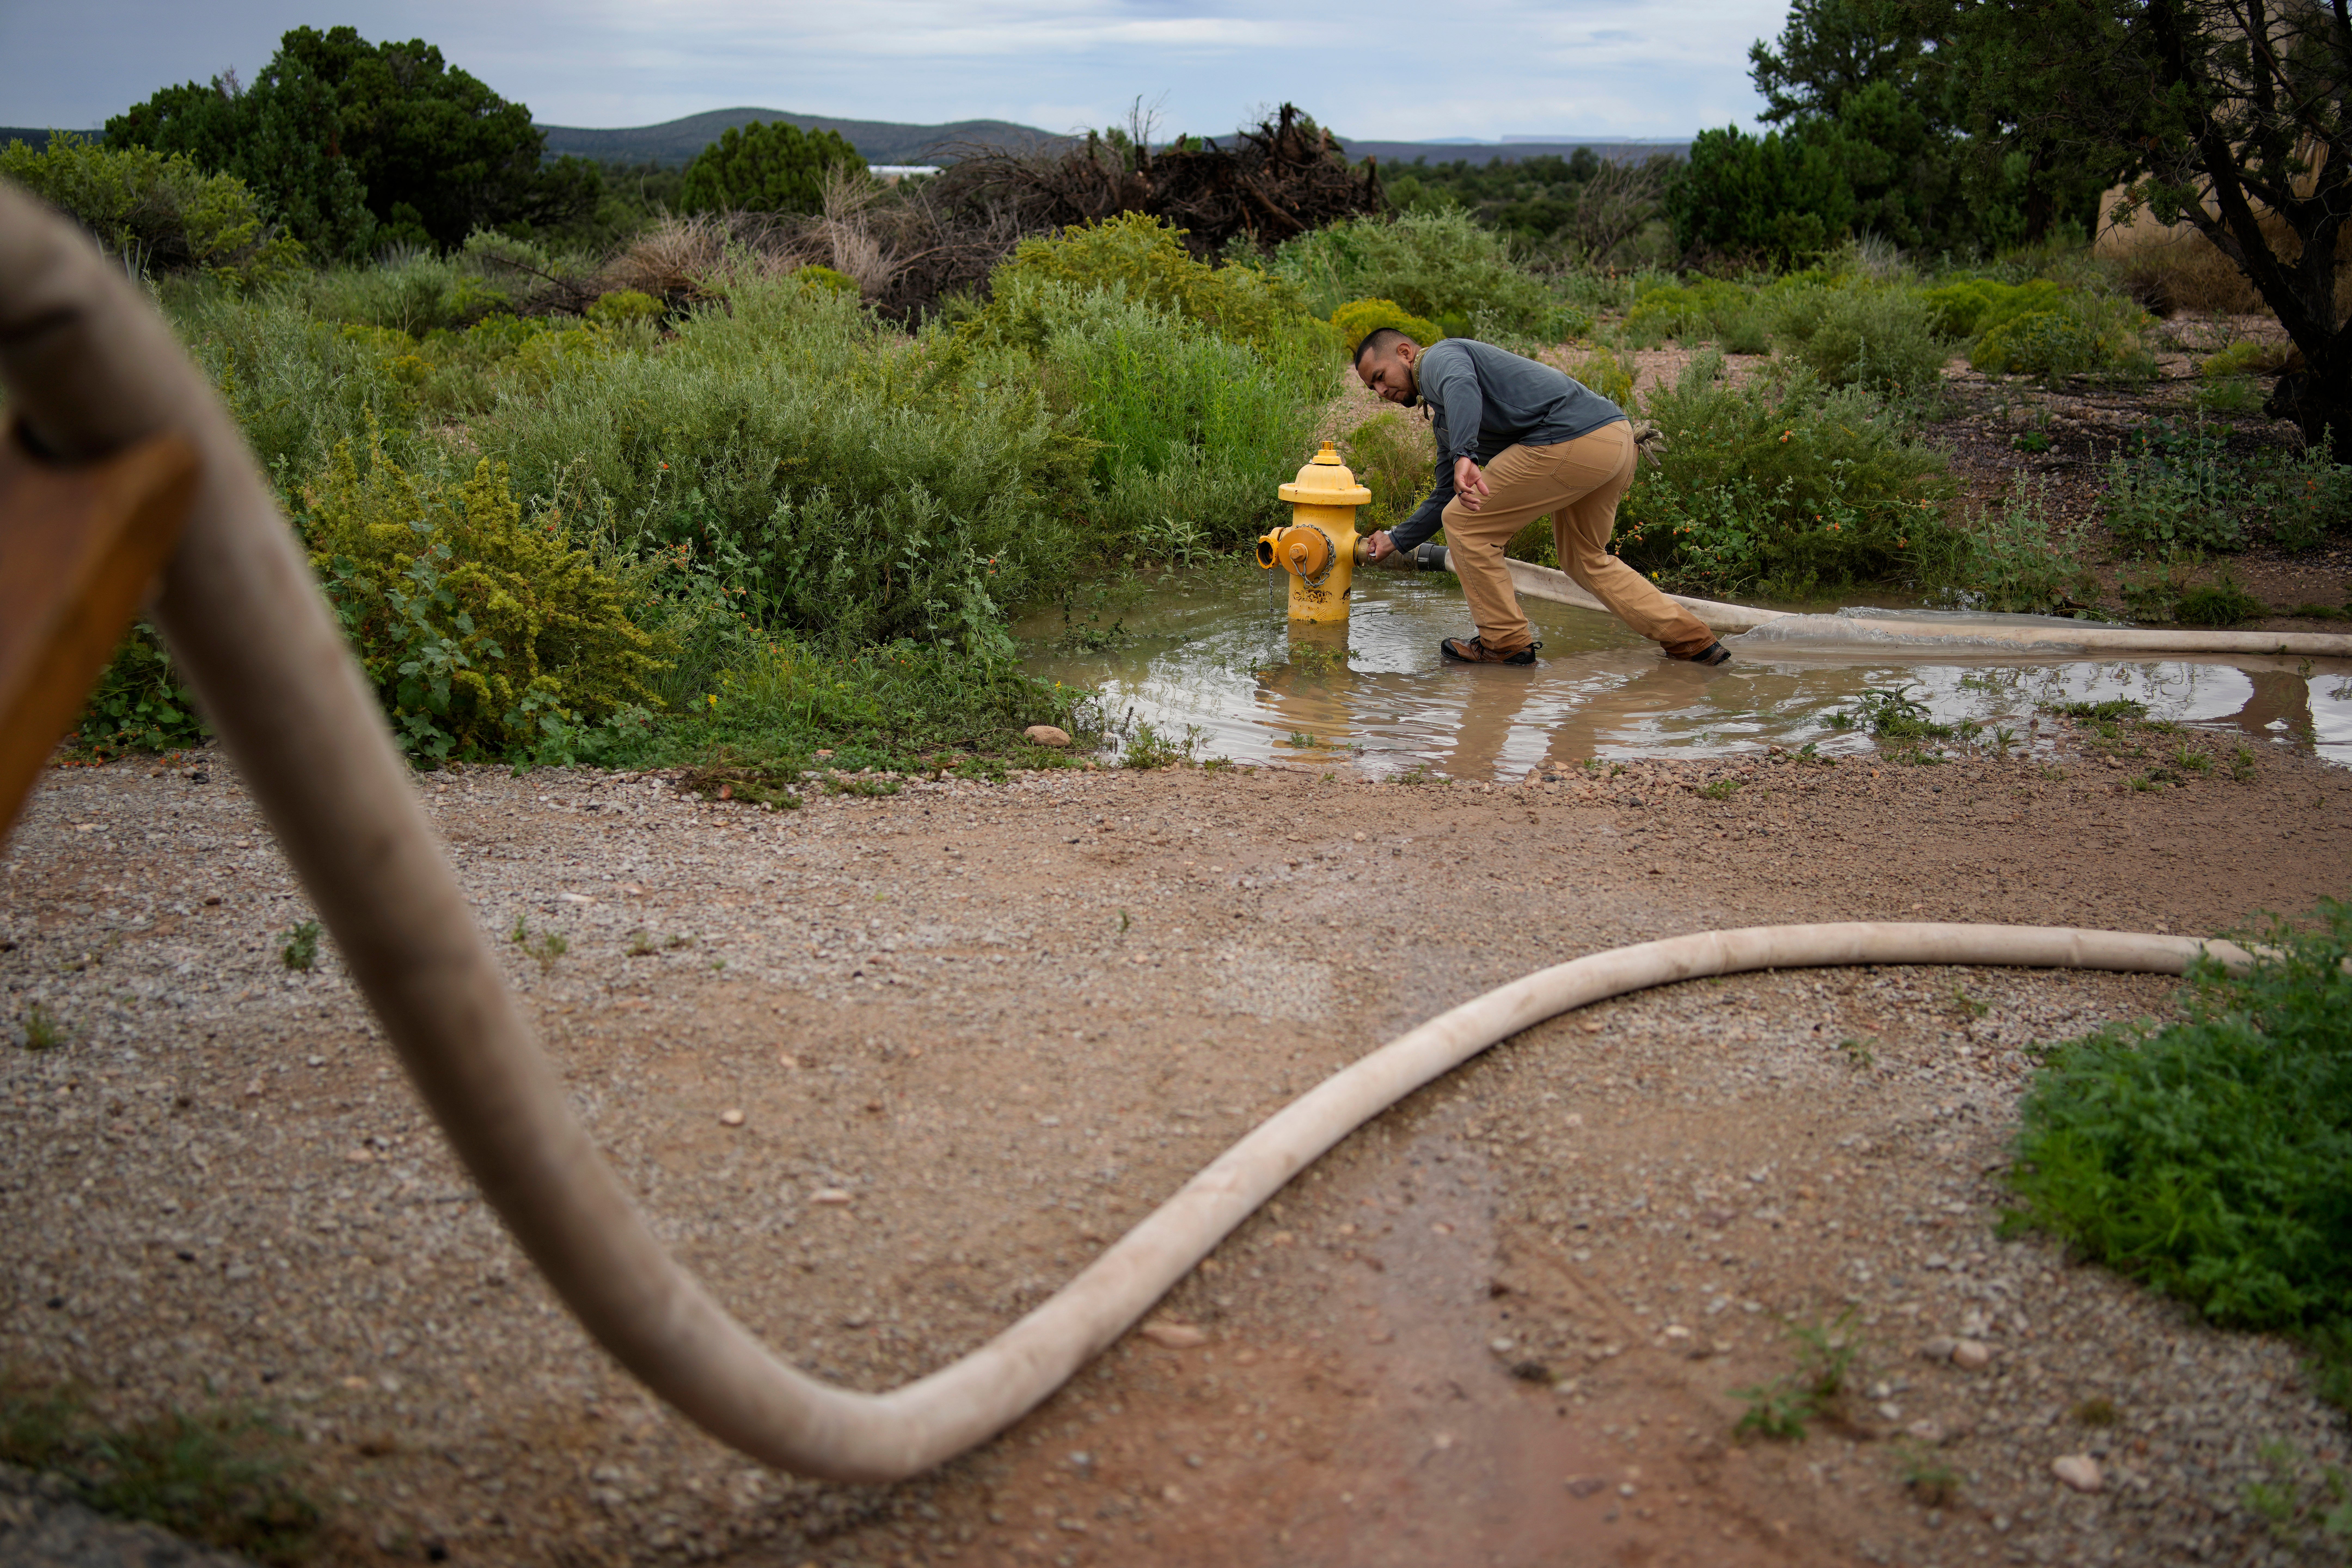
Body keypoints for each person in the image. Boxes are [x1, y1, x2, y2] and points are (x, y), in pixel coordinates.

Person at [1355, 329, 1730, 667]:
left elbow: (1461, 383)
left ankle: (1504, 643)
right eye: (1372, 388)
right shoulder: (1446, 418)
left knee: (1465, 523)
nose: (1381, 392)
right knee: (1584, 559)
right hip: (1614, 440)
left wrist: (1465, 454)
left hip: (1572, 439)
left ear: (1404, 352)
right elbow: (1443, 494)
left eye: (1380, 378)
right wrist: (1396, 540)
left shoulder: (1439, 360)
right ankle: (1692, 641)